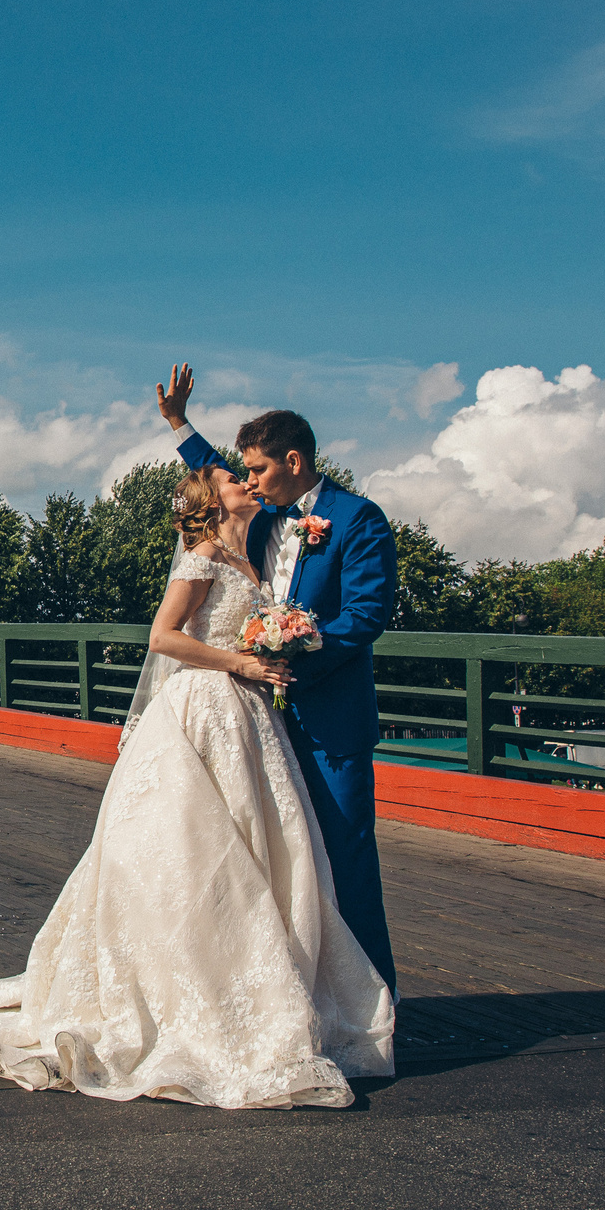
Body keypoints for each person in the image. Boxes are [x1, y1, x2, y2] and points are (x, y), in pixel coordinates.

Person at [0, 465, 393, 1107]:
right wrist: (239, 659)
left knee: (257, 848)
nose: (244, 478)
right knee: (188, 850)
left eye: (248, 469)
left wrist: (272, 653)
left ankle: (252, 983)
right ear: (211, 499)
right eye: (230, 476)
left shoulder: (254, 555)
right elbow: (164, 637)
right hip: (201, 707)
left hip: (246, 714)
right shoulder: (199, 557)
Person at [156, 365, 400, 994]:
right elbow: (219, 475)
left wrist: (295, 659)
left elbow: (367, 614)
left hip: (329, 717)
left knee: (345, 855)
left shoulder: (358, 519)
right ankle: (298, 993)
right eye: (248, 474)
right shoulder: (262, 513)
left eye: (259, 470)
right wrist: (179, 424)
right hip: (255, 721)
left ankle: (373, 998)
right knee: (279, 863)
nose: (250, 481)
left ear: (293, 460)